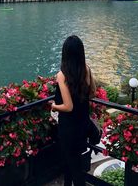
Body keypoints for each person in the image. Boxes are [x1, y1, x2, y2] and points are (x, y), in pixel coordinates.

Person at [51, 35, 96, 186]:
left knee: (74, 167)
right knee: (73, 164)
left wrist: (54, 106)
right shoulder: (86, 69)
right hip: (83, 125)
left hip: (69, 128)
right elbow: (92, 92)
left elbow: (68, 106)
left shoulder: (62, 75)